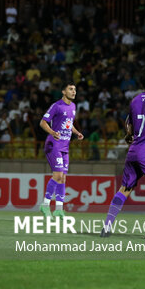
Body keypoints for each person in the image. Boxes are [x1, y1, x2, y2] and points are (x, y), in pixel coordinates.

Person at [100, 66, 145, 241]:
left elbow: (129, 129)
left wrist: (128, 136)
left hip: (134, 151)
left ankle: (106, 226)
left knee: (124, 189)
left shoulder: (134, 101)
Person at [39, 82, 84, 218]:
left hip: (65, 146)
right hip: (54, 144)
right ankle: (45, 205)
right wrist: (52, 132)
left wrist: (77, 132)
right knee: (57, 175)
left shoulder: (74, 106)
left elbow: (68, 124)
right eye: (70, 89)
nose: (74, 92)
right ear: (63, 92)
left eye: (75, 89)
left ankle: (59, 208)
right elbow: (42, 122)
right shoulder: (57, 106)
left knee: (63, 178)